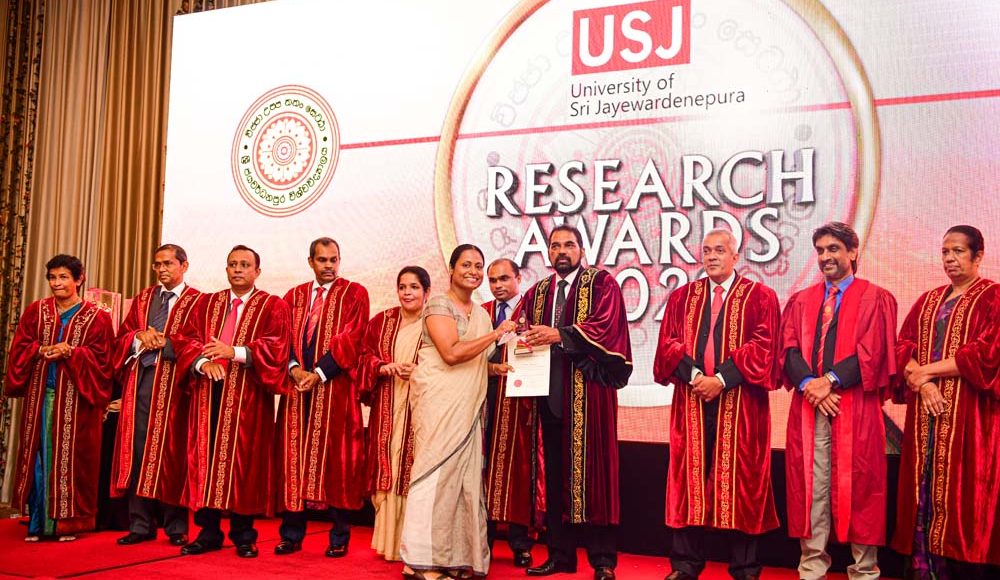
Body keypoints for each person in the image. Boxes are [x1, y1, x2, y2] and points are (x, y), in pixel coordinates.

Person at [653, 228, 780, 580]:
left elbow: (764, 345)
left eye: (720, 250)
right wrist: (696, 376)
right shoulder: (682, 297)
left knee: (743, 481)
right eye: (707, 250)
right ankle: (685, 565)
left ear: (735, 256)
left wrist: (721, 379)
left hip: (741, 404)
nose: (711, 256)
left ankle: (745, 567)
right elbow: (668, 345)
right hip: (692, 401)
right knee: (688, 480)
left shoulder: (760, 296)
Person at [780, 222, 897, 580]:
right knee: (811, 487)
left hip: (855, 407)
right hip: (810, 408)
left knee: (862, 486)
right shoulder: (802, 300)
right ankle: (811, 568)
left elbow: (873, 351)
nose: (825, 256)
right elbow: (789, 349)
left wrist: (829, 382)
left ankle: (863, 571)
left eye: (833, 249)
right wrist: (809, 385)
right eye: (820, 250)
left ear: (853, 252)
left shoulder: (875, 298)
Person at [520, 225, 632, 580]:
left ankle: (603, 561)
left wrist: (559, 335)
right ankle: (560, 555)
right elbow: (521, 331)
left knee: (596, 478)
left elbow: (606, 327)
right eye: (555, 246)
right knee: (554, 480)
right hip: (549, 397)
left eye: (569, 244)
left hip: (589, 398)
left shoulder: (602, 284)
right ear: (548, 253)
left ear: (582, 250)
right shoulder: (537, 293)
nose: (562, 251)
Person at [400, 245, 517, 579]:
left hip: (467, 410)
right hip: (440, 406)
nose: (473, 271)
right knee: (434, 479)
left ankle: (455, 558)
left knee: (464, 483)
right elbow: (451, 354)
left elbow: (474, 362)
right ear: (451, 269)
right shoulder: (439, 305)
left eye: (478, 266)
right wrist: (497, 333)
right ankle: (420, 561)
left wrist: (495, 369)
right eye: (466, 265)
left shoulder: (480, 313)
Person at [891, 225, 1000, 579]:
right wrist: (923, 383)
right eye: (944, 252)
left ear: (978, 256)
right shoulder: (928, 300)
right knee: (922, 494)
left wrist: (925, 372)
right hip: (926, 416)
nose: (949, 259)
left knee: (965, 500)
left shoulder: (992, 297)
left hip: (971, 416)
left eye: (958, 251)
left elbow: (985, 355)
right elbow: (902, 347)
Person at [173, 245, 291, 558]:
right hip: (207, 396)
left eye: (244, 265)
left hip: (247, 400)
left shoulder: (272, 306)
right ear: (226, 269)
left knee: (244, 466)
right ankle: (208, 532)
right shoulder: (207, 303)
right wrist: (202, 363)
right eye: (232, 264)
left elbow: (277, 346)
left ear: (257, 271)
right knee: (205, 462)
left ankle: (244, 535)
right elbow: (185, 339)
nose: (238, 269)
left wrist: (233, 352)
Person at [5, 254, 114, 541]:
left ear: (79, 279)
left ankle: (68, 524)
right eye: (52, 278)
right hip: (40, 396)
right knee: (39, 456)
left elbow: (105, 361)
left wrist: (72, 352)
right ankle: (38, 524)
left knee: (70, 460)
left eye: (63, 277)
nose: (57, 283)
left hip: (77, 401)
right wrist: (40, 350)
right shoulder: (36, 311)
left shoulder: (97, 317)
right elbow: (20, 347)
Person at [274, 237, 369, 557]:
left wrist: (319, 373)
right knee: (294, 461)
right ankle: (291, 535)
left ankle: (339, 537)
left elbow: (351, 339)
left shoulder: (355, 294)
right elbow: (281, 339)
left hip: (335, 390)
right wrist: (293, 369)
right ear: (310, 262)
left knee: (336, 463)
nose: (328, 265)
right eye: (322, 260)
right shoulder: (293, 297)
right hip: (297, 391)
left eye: (333, 259)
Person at [110, 244, 199, 547]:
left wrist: (167, 343)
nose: (162, 269)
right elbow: (122, 336)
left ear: (184, 266)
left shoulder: (198, 301)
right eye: (157, 264)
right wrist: (139, 337)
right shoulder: (144, 299)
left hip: (176, 387)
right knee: (137, 452)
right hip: (141, 382)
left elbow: (198, 342)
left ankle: (175, 527)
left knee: (172, 455)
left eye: (168, 264)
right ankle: (140, 524)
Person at [359, 266, 430, 563]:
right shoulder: (383, 321)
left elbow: (449, 362)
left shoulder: (436, 322)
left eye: (414, 287)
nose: (407, 293)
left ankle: (414, 544)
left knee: (414, 472)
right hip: (388, 405)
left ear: (427, 292)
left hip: (421, 409)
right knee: (388, 468)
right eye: (402, 287)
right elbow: (363, 356)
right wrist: (381, 367)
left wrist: (420, 371)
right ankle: (389, 543)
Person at [482, 258, 535, 568]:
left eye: (504, 278)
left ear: (518, 278)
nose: (498, 285)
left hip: (520, 402)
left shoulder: (532, 312)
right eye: (492, 280)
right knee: (482, 471)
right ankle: (482, 542)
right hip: (484, 400)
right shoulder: (482, 313)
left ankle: (520, 544)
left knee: (519, 472)